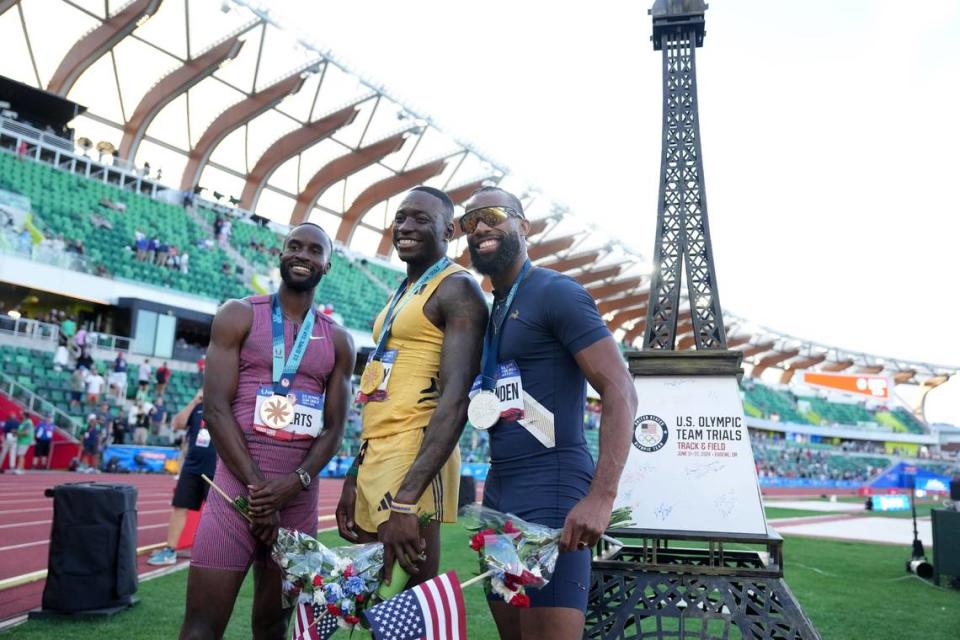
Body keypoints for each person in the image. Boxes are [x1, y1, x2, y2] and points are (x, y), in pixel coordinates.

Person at [460, 186, 637, 639]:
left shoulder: (557, 293)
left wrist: (602, 497)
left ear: (525, 227)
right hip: (498, 497)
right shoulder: (492, 312)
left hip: (554, 491)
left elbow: (620, 391)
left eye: (493, 215)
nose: (480, 226)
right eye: (470, 221)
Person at [180, 222, 355, 640]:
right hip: (234, 492)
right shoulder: (239, 314)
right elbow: (216, 410)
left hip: (297, 501)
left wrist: (292, 485)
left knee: (273, 626)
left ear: (327, 265)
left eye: (314, 250)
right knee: (201, 628)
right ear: (281, 254)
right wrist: (263, 493)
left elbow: (333, 430)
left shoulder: (340, 341)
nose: (303, 255)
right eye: (294, 246)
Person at [335, 187, 487, 589]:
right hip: (378, 447)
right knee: (373, 599)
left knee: (403, 599)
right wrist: (354, 472)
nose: (405, 226)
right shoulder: (402, 292)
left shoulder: (458, 289)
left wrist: (406, 499)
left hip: (414, 449)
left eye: (421, 219)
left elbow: (456, 399)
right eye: (401, 217)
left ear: (448, 231)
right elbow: (379, 393)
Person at [148, 389, 216, 566]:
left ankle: (213, 552)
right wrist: (194, 402)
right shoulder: (197, 407)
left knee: (216, 514)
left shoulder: (227, 407)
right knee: (179, 507)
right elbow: (176, 424)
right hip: (192, 467)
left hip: (218, 469)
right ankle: (170, 550)